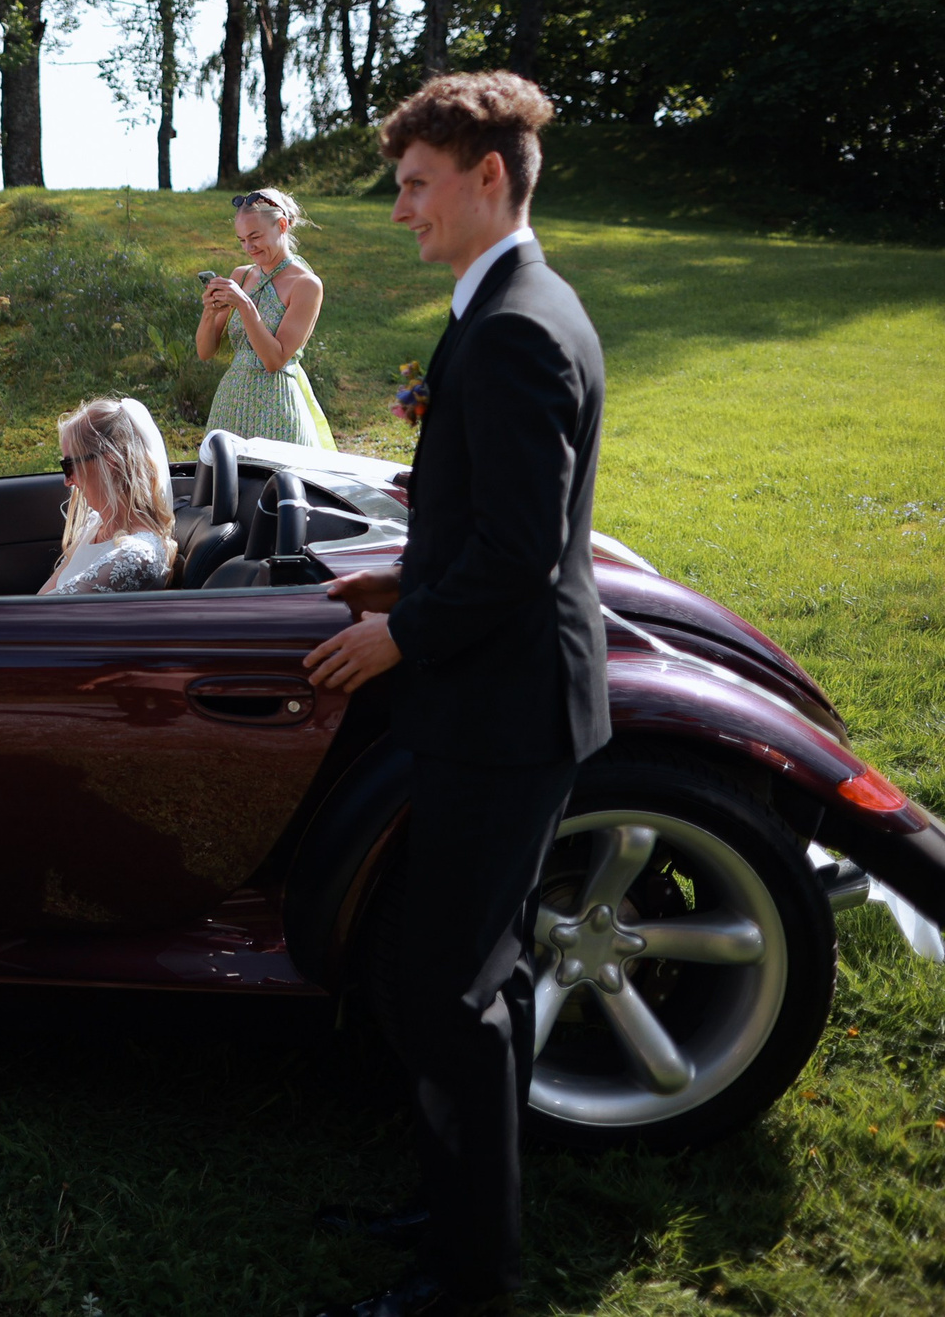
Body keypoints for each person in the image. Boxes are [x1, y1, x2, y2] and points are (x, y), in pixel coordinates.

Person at [301, 72, 608, 1317]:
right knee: (488, 976)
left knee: (447, 989)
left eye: (416, 185)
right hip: (502, 698)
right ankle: (459, 1207)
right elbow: (495, 520)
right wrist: (402, 578)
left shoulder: (519, 325)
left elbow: (521, 552)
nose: (399, 211)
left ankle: (473, 1280)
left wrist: (402, 636)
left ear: (489, 177)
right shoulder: (507, 305)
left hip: (502, 712)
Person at [0, 397, 176, 597]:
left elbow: (28, 620)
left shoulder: (135, 555)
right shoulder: (97, 526)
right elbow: (34, 607)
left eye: (70, 466)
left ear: (110, 462)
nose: (67, 481)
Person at [196, 185, 335, 448]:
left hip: (278, 407)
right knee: (224, 474)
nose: (248, 247)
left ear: (282, 225)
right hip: (231, 402)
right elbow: (205, 352)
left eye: (255, 237)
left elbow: (274, 360)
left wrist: (244, 304)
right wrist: (209, 311)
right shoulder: (242, 276)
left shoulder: (306, 284)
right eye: (241, 240)